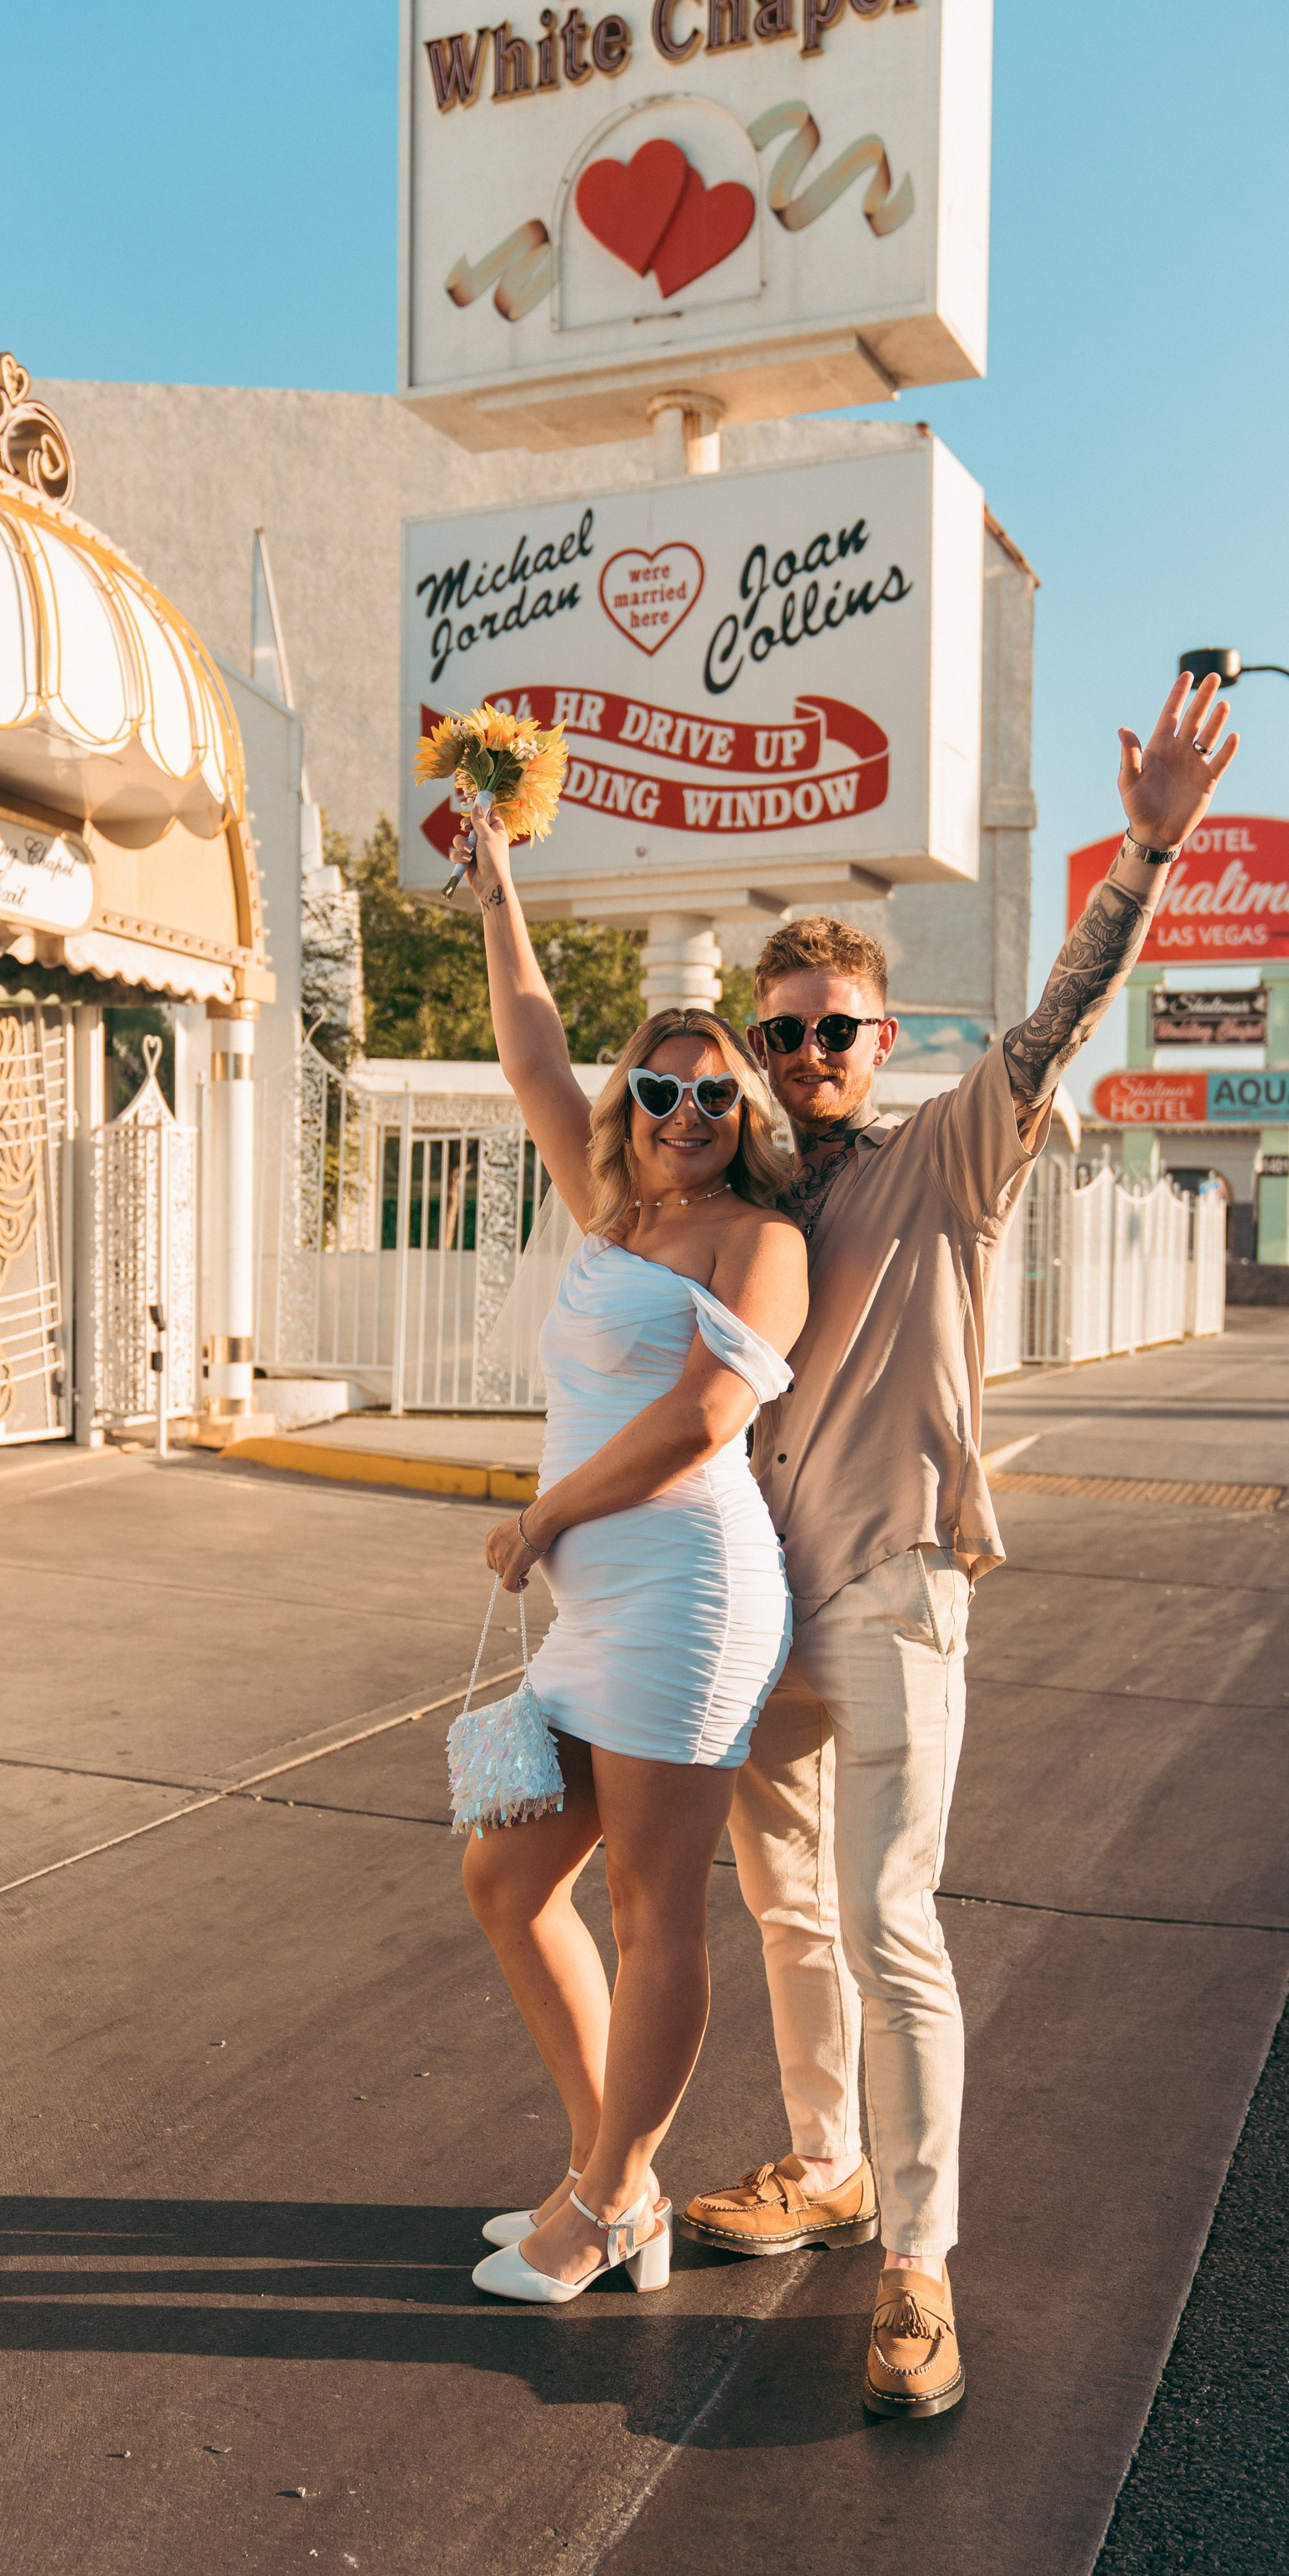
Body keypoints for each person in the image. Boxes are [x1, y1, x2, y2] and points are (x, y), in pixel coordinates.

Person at [681, 670, 1241, 2417]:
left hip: (894, 1583)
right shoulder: (753, 1200)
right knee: (782, 1906)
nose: (806, 1057)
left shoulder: (947, 1152)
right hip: (757, 1607)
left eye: (832, 1028)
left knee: (886, 1912)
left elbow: (1060, 1019)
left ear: (881, 1035)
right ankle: (824, 2161)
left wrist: (1145, 853)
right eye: (782, 1036)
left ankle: (916, 2270)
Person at [447, 800, 809, 2307]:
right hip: (605, 1598)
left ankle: (604, 2205)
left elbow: (707, 1416)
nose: (681, 1114)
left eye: (712, 1098)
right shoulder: (611, 1210)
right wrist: (498, 886)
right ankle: (625, 2178)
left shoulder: (755, 1242)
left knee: (654, 1906)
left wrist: (543, 1517)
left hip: (684, 1591)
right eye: (658, 1090)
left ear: (747, 1122)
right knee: (505, 1878)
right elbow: (534, 1041)